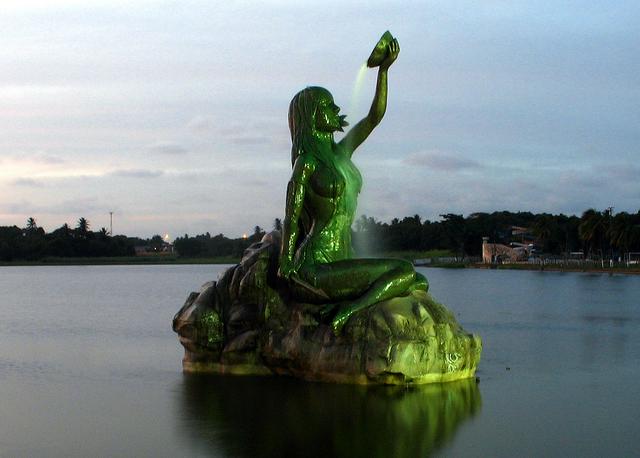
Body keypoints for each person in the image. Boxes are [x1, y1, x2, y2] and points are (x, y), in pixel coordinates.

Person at [278, 38, 428, 334]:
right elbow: (291, 217)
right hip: (315, 268)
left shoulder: (340, 152)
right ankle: (351, 310)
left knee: (418, 280)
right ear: (312, 117)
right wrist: (286, 262)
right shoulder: (307, 161)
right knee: (403, 272)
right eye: (327, 106)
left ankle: (352, 305)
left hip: (341, 259)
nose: (336, 110)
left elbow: (374, 117)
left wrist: (383, 71)